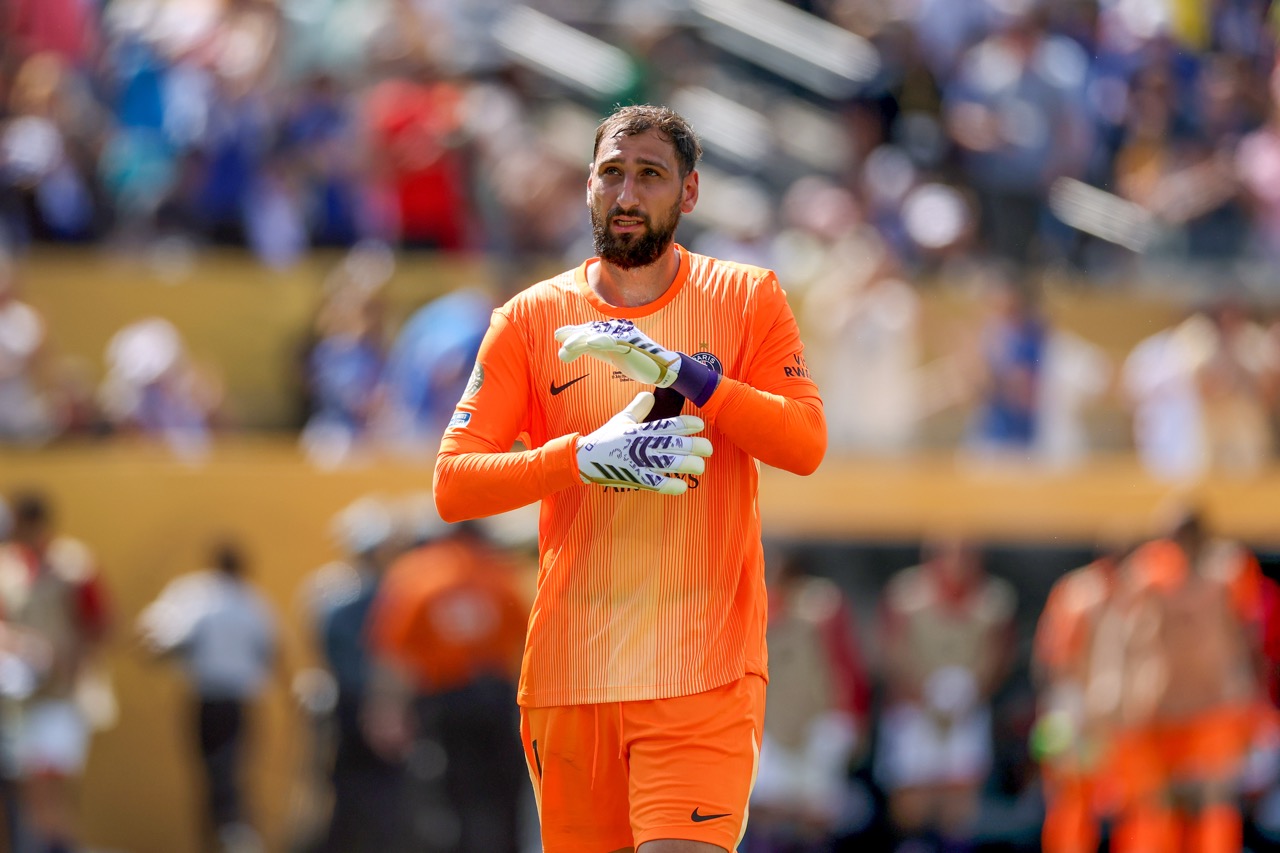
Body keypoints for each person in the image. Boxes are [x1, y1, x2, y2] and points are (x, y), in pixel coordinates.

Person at [433, 104, 827, 853]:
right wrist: (579, 458)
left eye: (650, 175)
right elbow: (454, 484)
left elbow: (805, 443)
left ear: (690, 192)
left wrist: (691, 376)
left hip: (702, 673)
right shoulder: (530, 318)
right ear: (588, 183)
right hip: (571, 676)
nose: (627, 194)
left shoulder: (747, 296)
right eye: (612, 173)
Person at [1091, 507, 1265, 853]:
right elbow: (1120, 633)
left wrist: (1249, 699)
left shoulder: (1228, 576)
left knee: (1215, 802)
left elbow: (1244, 640)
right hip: (1160, 709)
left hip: (1213, 708)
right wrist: (1112, 688)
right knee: (1156, 805)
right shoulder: (1148, 575)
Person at [363, 496, 529, 853]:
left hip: (444, 703)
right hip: (496, 700)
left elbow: (395, 654)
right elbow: (528, 644)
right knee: (502, 801)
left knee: (445, 800)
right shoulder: (501, 571)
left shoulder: (415, 573)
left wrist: (386, 711)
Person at [135, 538, 280, 853]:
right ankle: (233, 836)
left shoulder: (199, 598)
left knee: (215, 776)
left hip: (209, 701)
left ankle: (226, 838)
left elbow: (165, 639)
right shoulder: (254, 602)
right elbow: (271, 652)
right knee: (232, 774)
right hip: (241, 703)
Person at [874, 537, 1017, 853]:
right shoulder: (906, 594)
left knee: (959, 795)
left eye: (966, 553)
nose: (958, 561)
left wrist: (971, 695)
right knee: (912, 796)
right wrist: (920, 695)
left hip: (967, 707)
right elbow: (891, 652)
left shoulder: (994, 599)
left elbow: (1000, 655)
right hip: (913, 707)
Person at [0, 490, 111, 853]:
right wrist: (21, 646)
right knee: (33, 790)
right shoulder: (8, 568)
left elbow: (101, 624)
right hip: (21, 698)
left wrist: (72, 662)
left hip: (63, 696)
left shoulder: (73, 565)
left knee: (50, 785)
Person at [1030, 533, 1132, 853]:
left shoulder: (1134, 591)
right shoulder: (1079, 593)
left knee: (1116, 803)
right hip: (1076, 709)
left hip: (1107, 710)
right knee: (1070, 800)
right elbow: (1054, 660)